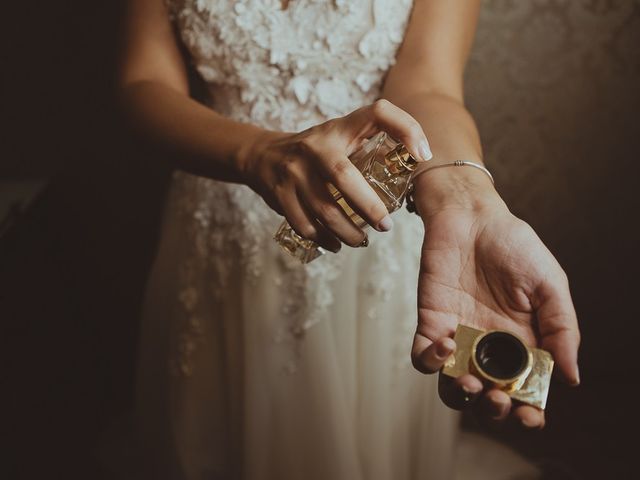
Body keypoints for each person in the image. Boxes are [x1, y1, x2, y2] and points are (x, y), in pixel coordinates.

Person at [118, 0, 581, 478]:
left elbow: (428, 86)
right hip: (218, 222)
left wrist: (468, 200)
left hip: (370, 240)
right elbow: (142, 82)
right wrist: (255, 152)